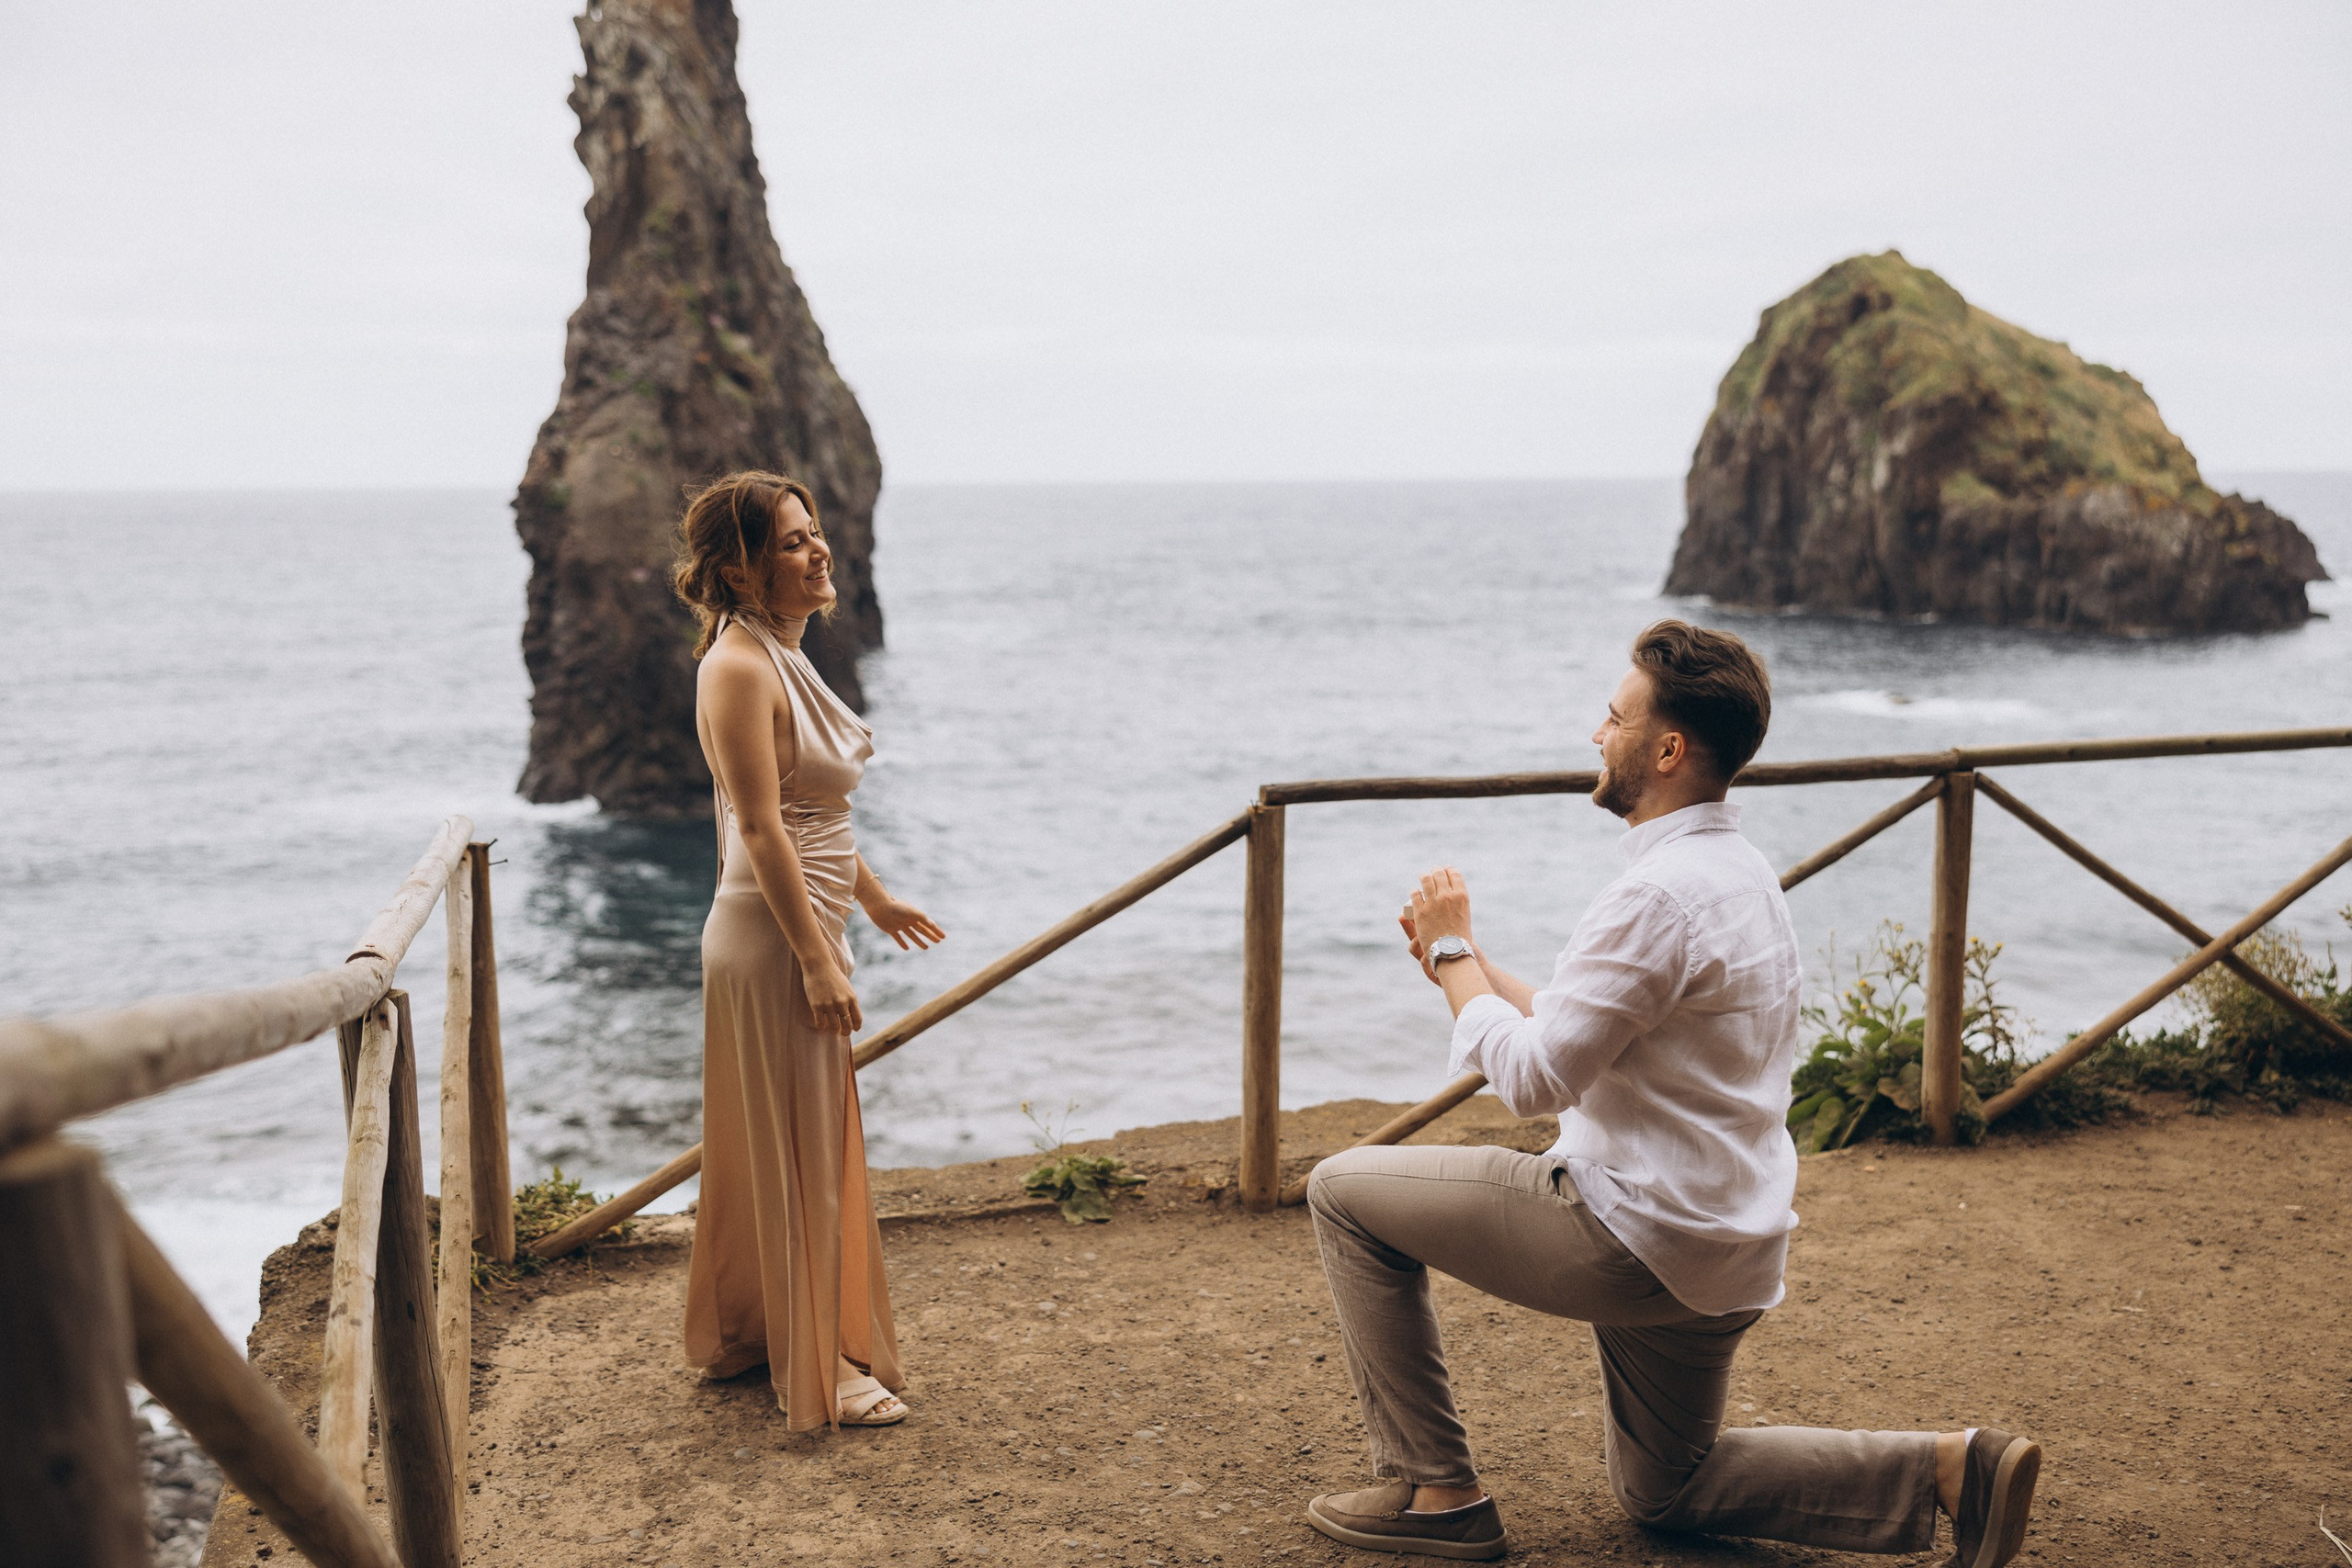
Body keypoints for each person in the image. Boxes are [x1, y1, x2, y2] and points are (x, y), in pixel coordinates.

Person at [1300, 620, 2041, 1565]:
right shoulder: (1739, 875)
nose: (1594, 733)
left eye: (1612, 718)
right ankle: (1950, 1471)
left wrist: (1451, 954)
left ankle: (1435, 1492)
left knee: (1342, 1191)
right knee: (1668, 1488)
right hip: (1723, 1244)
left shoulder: (1651, 897)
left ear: (1665, 749)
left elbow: (1534, 1080)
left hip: (1629, 1236)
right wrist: (1476, 973)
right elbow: (1595, 1024)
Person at [672, 470, 946, 1431]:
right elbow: (758, 827)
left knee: (780, 1147)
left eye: (814, 532)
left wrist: (870, 900)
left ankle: (752, 1332)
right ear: (739, 569)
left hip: (805, 926)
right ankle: (816, 1367)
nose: (818, 550)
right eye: (790, 542)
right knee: (800, 1154)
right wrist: (820, 961)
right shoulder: (738, 667)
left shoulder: (781, 652)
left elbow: (811, 810)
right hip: (773, 941)